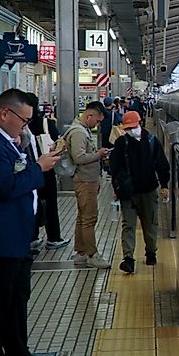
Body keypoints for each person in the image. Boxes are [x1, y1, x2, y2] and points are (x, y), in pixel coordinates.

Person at [0, 88, 60, 356]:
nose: (26, 126)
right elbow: (6, 186)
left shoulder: (3, 140)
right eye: (24, 121)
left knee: (15, 301)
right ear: (4, 114)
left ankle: (18, 354)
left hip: (15, 238)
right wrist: (39, 168)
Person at [110, 111, 170, 273]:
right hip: (128, 193)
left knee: (150, 224)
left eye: (133, 127)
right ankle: (128, 259)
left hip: (149, 190)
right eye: (128, 128)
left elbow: (162, 165)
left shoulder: (151, 141)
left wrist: (164, 185)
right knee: (128, 225)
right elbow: (115, 168)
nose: (131, 130)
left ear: (140, 123)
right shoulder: (121, 143)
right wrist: (116, 188)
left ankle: (151, 252)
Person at [66, 101, 111, 268]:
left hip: (85, 179)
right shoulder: (79, 132)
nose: (97, 124)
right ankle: (92, 255)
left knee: (82, 217)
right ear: (89, 115)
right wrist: (99, 154)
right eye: (97, 121)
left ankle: (81, 253)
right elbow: (79, 157)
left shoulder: (81, 130)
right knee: (89, 219)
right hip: (85, 181)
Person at [25, 93, 70, 250]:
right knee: (50, 203)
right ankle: (53, 238)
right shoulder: (46, 123)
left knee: (31, 202)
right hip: (47, 169)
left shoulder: (21, 124)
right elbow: (59, 142)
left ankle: (32, 237)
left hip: (27, 169)